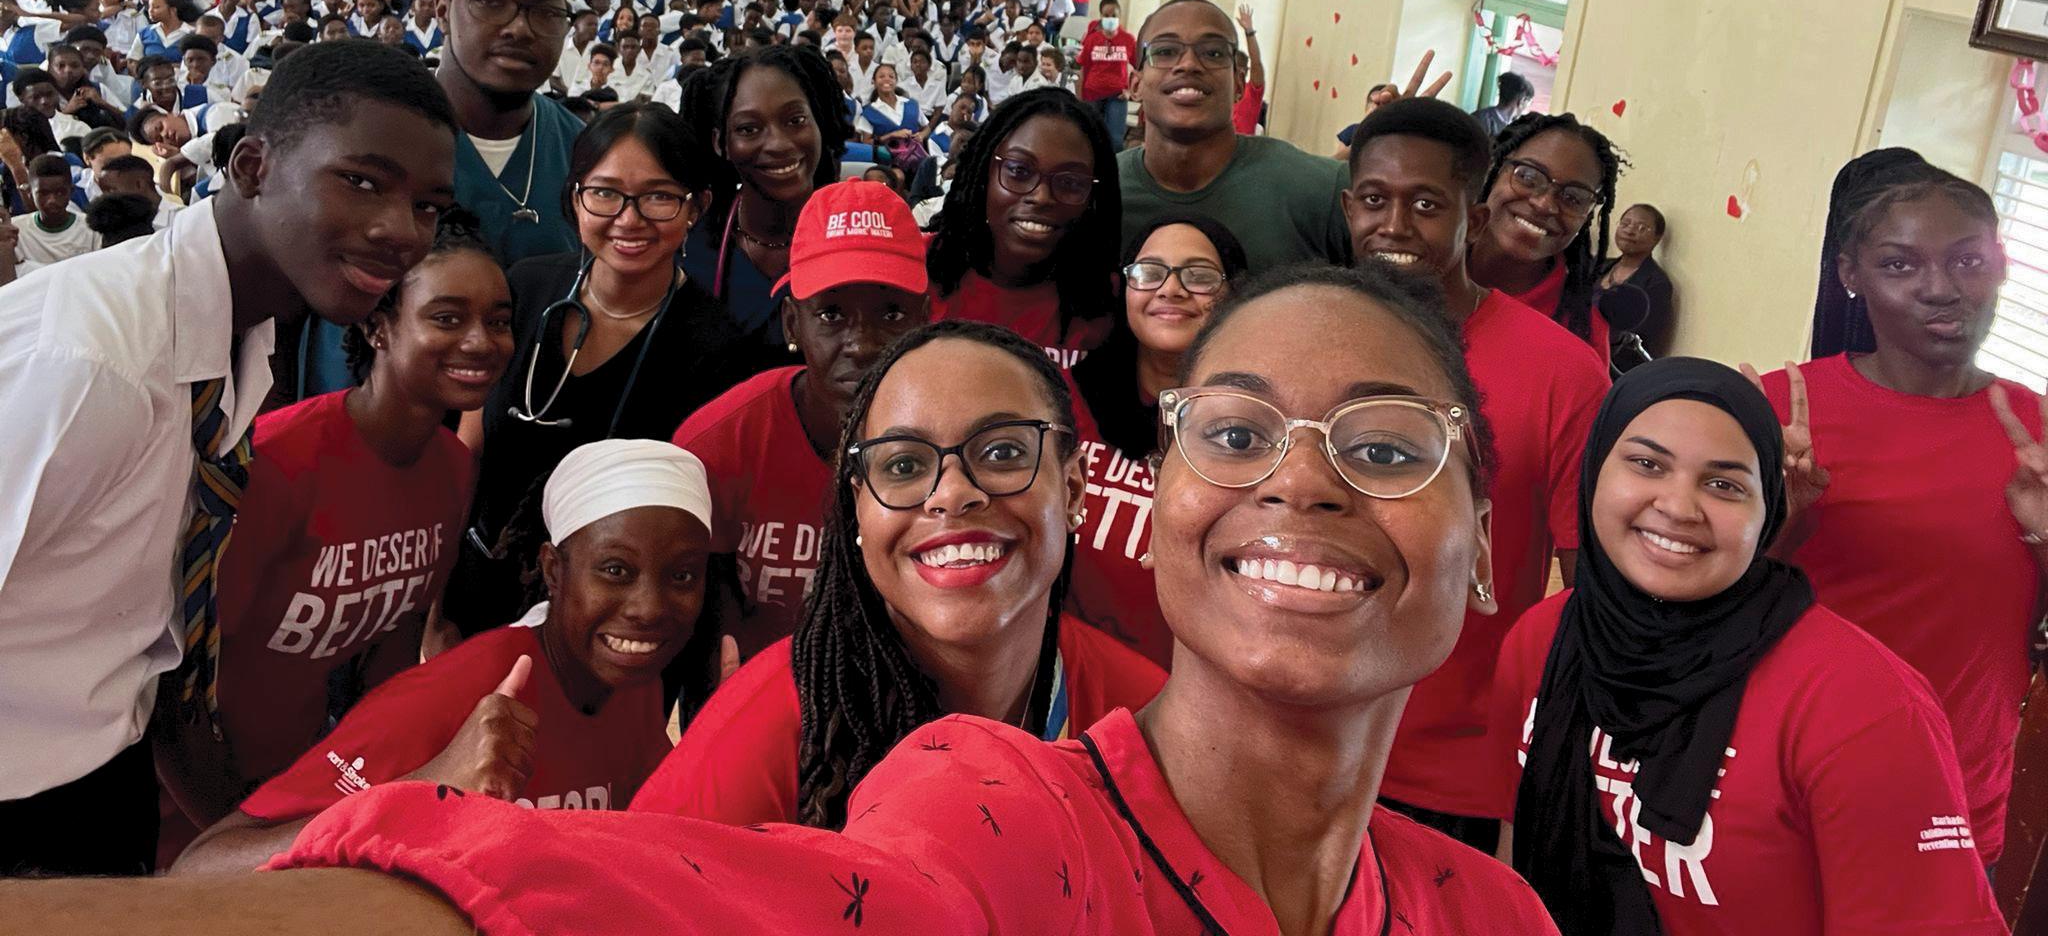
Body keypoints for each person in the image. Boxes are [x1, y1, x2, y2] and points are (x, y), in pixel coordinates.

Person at [104, 264, 1561, 935]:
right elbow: (643, 896)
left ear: (1083, 488)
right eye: (1237, 434)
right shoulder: (985, 802)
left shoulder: (1491, 912)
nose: (1301, 484)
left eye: (1386, 450)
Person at [0, 40, 457, 877]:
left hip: (106, 764)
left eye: (427, 206)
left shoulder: (235, 339)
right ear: (252, 166)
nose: (401, 231)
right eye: (362, 181)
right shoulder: (93, 366)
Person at [1496, 358, 2003, 935]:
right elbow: (1516, 858)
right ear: (1593, 470)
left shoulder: (1863, 707)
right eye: (1646, 464)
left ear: (1767, 514)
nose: (1678, 507)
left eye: (1724, 485)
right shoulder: (1543, 638)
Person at [641, 319, 1166, 827]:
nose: (952, 493)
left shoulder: (1145, 717)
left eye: (1002, 452)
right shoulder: (766, 724)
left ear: (1073, 490)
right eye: (904, 465)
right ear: (859, 509)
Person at [172, 439, 718, 874]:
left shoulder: (632, 682)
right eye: (616, 571)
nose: (650, 608)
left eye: (682, 576)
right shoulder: (462, 693)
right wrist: (428, 786)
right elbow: (202, 868)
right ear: (554, 570)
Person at [154, 218, 512, 838]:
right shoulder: (278, 465)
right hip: (194, 797)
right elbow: (173, 685)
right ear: (378, 326)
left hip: (304, 780)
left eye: (499, 321)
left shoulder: (452, 469)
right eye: (448, 318)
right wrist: (234, 840)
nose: (481, 342)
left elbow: (393, 650)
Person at [1759, 149, 2044, 870]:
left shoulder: (2037, 432)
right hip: (1784, 779)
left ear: (2002, 266)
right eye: (1899, 264)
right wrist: (1789, 522)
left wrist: (2044, 534)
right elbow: (1692, 610)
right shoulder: (1780, 411)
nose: (1941, 289)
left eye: (1968, 261)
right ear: (1850, 275)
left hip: (1958, 793)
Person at [1342, 99, 1607, 846]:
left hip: (1447, 769)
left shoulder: (1562, 374)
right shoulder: (1301, 334)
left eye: (1427, 205)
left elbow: (1589, 591)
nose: (1396, 226)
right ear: (1348, 208)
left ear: (1476, 219)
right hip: (1287, 729)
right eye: (1374, 200)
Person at [445, 103, 753, 641]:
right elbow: (468, 452)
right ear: (575, 197)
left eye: (658, 197)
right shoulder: (524, 289)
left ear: (696, 207)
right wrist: (436, 607)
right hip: (477, 589)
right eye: (605, 193)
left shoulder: (716, 348)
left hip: (606, 624)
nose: (628, 220)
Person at [673, 180, 930, 662]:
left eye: (892, 313)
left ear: (925, 319)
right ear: (792, 323)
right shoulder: (721, 444)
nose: (862, 343)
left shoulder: (958, 447)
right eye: (831, 314)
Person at [1066, 214, 1248, 665]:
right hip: (1067, 674)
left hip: (1193, 682)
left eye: (1199, 276)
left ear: (1234, 296)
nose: (1171, 289)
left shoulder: (1258, 428)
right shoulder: (1063, 399)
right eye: (1150, 272)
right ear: (1124, 288)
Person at [1117, 0, 1352, 272]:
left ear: (1239, 83)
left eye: (1213, 53)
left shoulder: (1323, 191)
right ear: (1135, 85)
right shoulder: (1099, 193)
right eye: (1165, 51)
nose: (1189, 64)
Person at [927, 89, 1119, 367]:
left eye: (1070, 182)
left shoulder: (1107, 298)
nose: (1041, 197)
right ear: (983, 175)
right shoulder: (918, 268)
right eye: (1019, 171)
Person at [679, 46, 845, 354]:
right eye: (748, 129)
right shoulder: (692, 251)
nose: (779, 144)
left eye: (796, 120)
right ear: (720, 143)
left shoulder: (857, 237)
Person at [436, 0, 584, 265]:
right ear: (443, 11)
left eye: (547, 12)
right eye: (489, 1)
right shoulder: (383, 141)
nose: (519, 28)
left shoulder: (583, 151)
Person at [1469, 112, 1622, 362]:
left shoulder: (1580, 331)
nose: (1544, 204)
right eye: (1528, 177)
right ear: (1494, 169)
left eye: (1573, 197)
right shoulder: (1429, 263)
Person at [1598, 202, 1676, 356]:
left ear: (1657, 238)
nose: (1629, 231)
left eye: (1641, 228)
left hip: (1617, 361)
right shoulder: (1597, 266)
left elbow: (1643, 339)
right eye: (1625, 224)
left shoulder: (1656, 283)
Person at [8, 151, 97, 272]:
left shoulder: (91, 227)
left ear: (71, 191)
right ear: (29, 193)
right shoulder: (16, 231)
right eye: (43, 193)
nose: (52, 200)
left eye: (60, 193)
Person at [1230, 2, 1266, 134]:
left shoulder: (1251, 92)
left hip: (1243, 145)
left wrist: (1249, 32)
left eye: (1241, 69)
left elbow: (1256, 62)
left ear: (1245, 71)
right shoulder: (1220, 92)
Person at [1475, 70, 1535, 138]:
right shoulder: (1483, 120)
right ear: (1522, 100)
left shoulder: (1482, 117)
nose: (1528, 106)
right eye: (1530, 102)